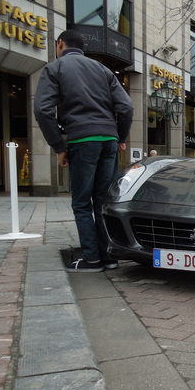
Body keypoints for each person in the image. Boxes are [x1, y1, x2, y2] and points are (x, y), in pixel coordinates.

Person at [34, 30, 133, 272]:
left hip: (82, 139)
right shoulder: (103, 70)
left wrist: (58, 146)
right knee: (102, 202)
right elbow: (127, 107)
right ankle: (109, 257)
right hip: (108, 139)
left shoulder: (55, 68)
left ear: (60, 44)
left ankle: (91, 259)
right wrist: (120, 136)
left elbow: (42, 110)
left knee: (81, 203)